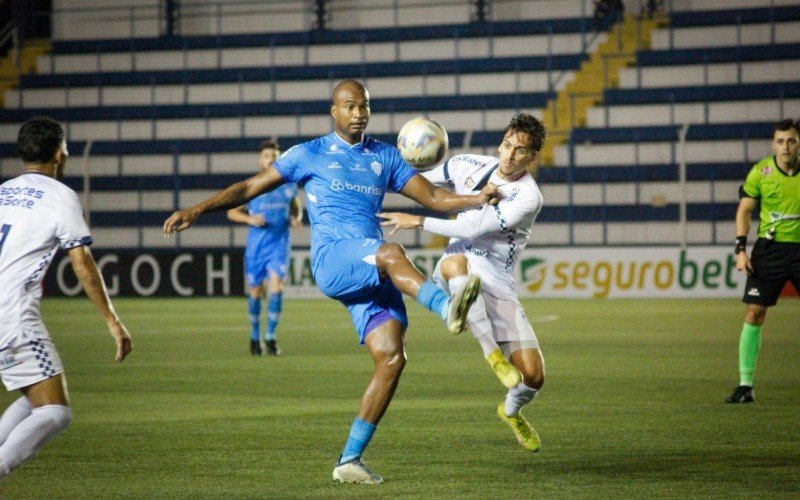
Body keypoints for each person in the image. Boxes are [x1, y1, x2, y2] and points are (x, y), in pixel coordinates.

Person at [163, 79, 498, 484]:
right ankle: (448, 309)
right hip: (335, 260)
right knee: (393, 253)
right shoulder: (309, 154)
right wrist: (198, 209)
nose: (358, 113)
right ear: (334, 111)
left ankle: (349, 460)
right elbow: (250, 187)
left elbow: (433, 198)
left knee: (392, 357)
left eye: (364, 107)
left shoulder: (386, 157)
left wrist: (476, 198)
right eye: (350, 106)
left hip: (370, 269)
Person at [379, 113, 547, 452]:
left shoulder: (528, 197)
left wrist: (417, 221)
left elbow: (472, 227)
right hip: (458, 264)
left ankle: (510, 412)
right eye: (507, 145)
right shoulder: (465, 164)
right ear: (501, 142)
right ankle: (492, 356)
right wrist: (390, 169)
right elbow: (421, 182)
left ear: (532, 158)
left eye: (520, 152)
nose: (510, 156)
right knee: (456, 264)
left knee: (533, 376)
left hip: (497, 279)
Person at [0, 117, 133, 480]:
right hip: (12, 315)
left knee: (35, 397)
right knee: (56, 412)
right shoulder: (60, 197)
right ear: (60, 154)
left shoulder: (4, 191)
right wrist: (113, 321)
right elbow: (83, 264)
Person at [726, 118, 800, 404]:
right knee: (755, 313)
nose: (785, 146)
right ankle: (745, 386)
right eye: (780, 141)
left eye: (791, 141)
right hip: (769, 251)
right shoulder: (762, 172)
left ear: (798, 144)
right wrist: (740, 250)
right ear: (773, 144)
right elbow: (744, 211)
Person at [227, 140, 302, 357]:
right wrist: (250, 220)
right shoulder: (253, 186)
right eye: (268, 155)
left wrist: (296, 218)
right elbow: (231, 212)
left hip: (279, 244)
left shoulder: (289, 186)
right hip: (256, 247)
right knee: (255, 292)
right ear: (261, 161)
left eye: (275, 155)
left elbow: (296, 209)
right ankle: (254, 336)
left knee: (277, 287)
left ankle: (270, 337)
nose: (272, 159)